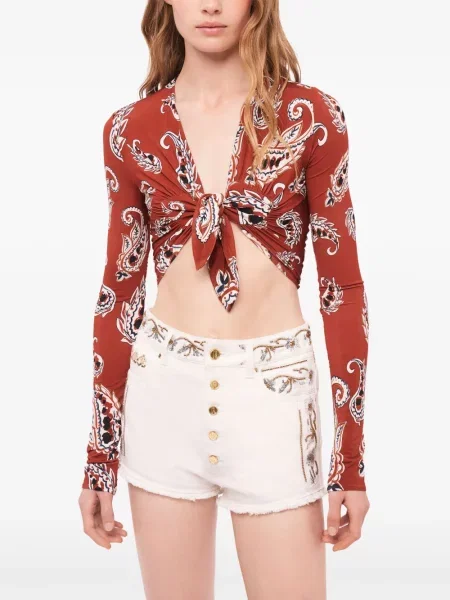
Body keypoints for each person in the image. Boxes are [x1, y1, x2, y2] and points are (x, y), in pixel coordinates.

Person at [78, 0, 370, 597]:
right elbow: (120, 292)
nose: (210, 5)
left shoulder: (310, 117)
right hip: (162, 393)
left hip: (274, 398)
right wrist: (99, 455)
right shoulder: (130, 130)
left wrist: (350, 458)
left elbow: (341, 290)